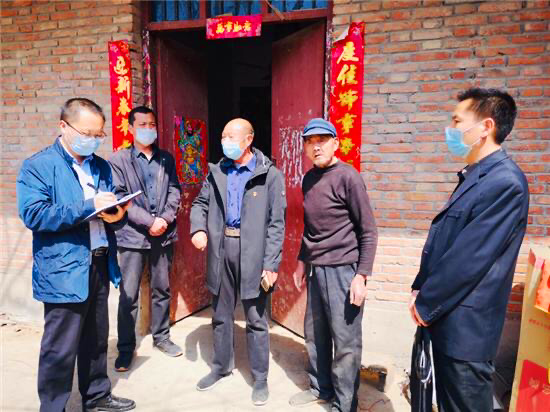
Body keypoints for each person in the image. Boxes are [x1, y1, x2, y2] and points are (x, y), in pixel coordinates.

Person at [409, 88, 529, 411]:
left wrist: (426, 303)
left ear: (486, 126)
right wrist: (421, 288)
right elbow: (446, 241)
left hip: (466, 333)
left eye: (457, 121)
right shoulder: (477, 176)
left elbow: (469, 258)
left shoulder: (505, 182)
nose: (450, 129)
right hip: (448, 320)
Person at [16, 98, 135, 412]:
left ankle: (96, 396)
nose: (93, 140)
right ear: (63, 126)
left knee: (96, 338)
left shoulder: (101, 166)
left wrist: (116, 214)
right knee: (60, 347)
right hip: (64, 268)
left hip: (99, 260)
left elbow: (111, 207)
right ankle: (53, 406)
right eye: (87, 133)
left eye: (99, 135)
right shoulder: (39, 166)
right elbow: (35, 214)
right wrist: (88, 206)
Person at [190, 118, 286, 406]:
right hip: (222, 249)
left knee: (256, 319)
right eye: (223, 136)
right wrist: (198, 228)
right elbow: (200, 203)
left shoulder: (268, 175)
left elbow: (276, 223)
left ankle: (260, 378)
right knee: (221, 314)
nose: (225, 142)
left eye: (231, 137)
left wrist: (271, 264)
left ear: (248, 140)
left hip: (254, 253)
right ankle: (221, 367)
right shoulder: (217, 172)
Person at [289, 118, 378, 412]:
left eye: (322, 140)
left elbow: (368, 231)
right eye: (310, 142)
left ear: (336, 143)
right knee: (315, 335)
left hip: (343, 269)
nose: (316, 147)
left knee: (345, 341)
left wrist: (361, 276)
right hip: (316, 268)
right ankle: (321, 388)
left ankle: (345, 404)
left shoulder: (348, 177)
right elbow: (311, 228)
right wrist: (301, 262)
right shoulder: (308, 179)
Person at [109, 106, 183, 371]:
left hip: (163, 235)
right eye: (142, 125)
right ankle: (126, 348)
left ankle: (161, 337)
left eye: (152, 124)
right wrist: (150, 221)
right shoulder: (119, 160)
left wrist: (164, 219)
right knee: (128, 295)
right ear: (130, 128)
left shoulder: (166, 159)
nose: (148, 129)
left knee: (161, 288)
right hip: (132, 237)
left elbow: (175, 190)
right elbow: (120, 197)